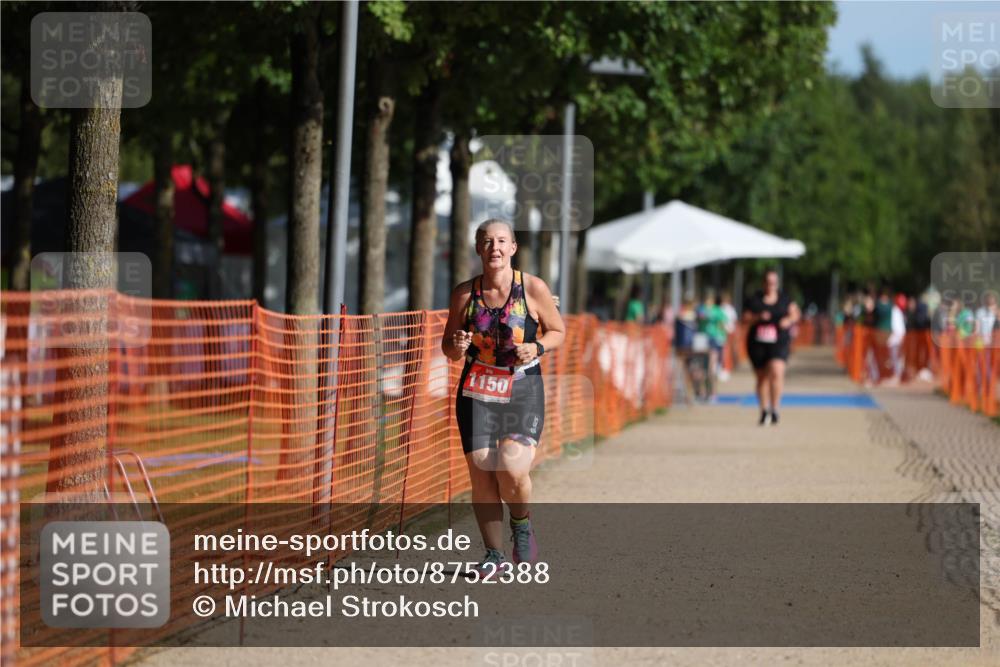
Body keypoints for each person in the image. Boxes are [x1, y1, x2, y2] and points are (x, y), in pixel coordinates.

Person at [441, 219, 565, 576]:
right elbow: (449, 348)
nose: (493, 247)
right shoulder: (465, 294)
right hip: (477, 388)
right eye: (486, 241)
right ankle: (494, 554)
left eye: (501, 241)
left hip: (522, 386)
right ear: (478, 249)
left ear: (512, 248)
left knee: (511, 468)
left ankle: (521, 525)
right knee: (482, 468)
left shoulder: (533, 289)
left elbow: (558, 331)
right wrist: (457, 345)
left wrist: (537, 346)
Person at [743, 269, 800, 425]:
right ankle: (764, 410)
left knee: (776, 371)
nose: (771, 285)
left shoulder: (784, 298)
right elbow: (745, 318)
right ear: (763, 283)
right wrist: (757, 317)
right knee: (762, 378)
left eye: (773, 283)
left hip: (779, 341)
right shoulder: (755, 299)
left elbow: (795, 313)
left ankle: (775, 409)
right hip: (758, 343)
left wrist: (788, 321)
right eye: (768, 282)